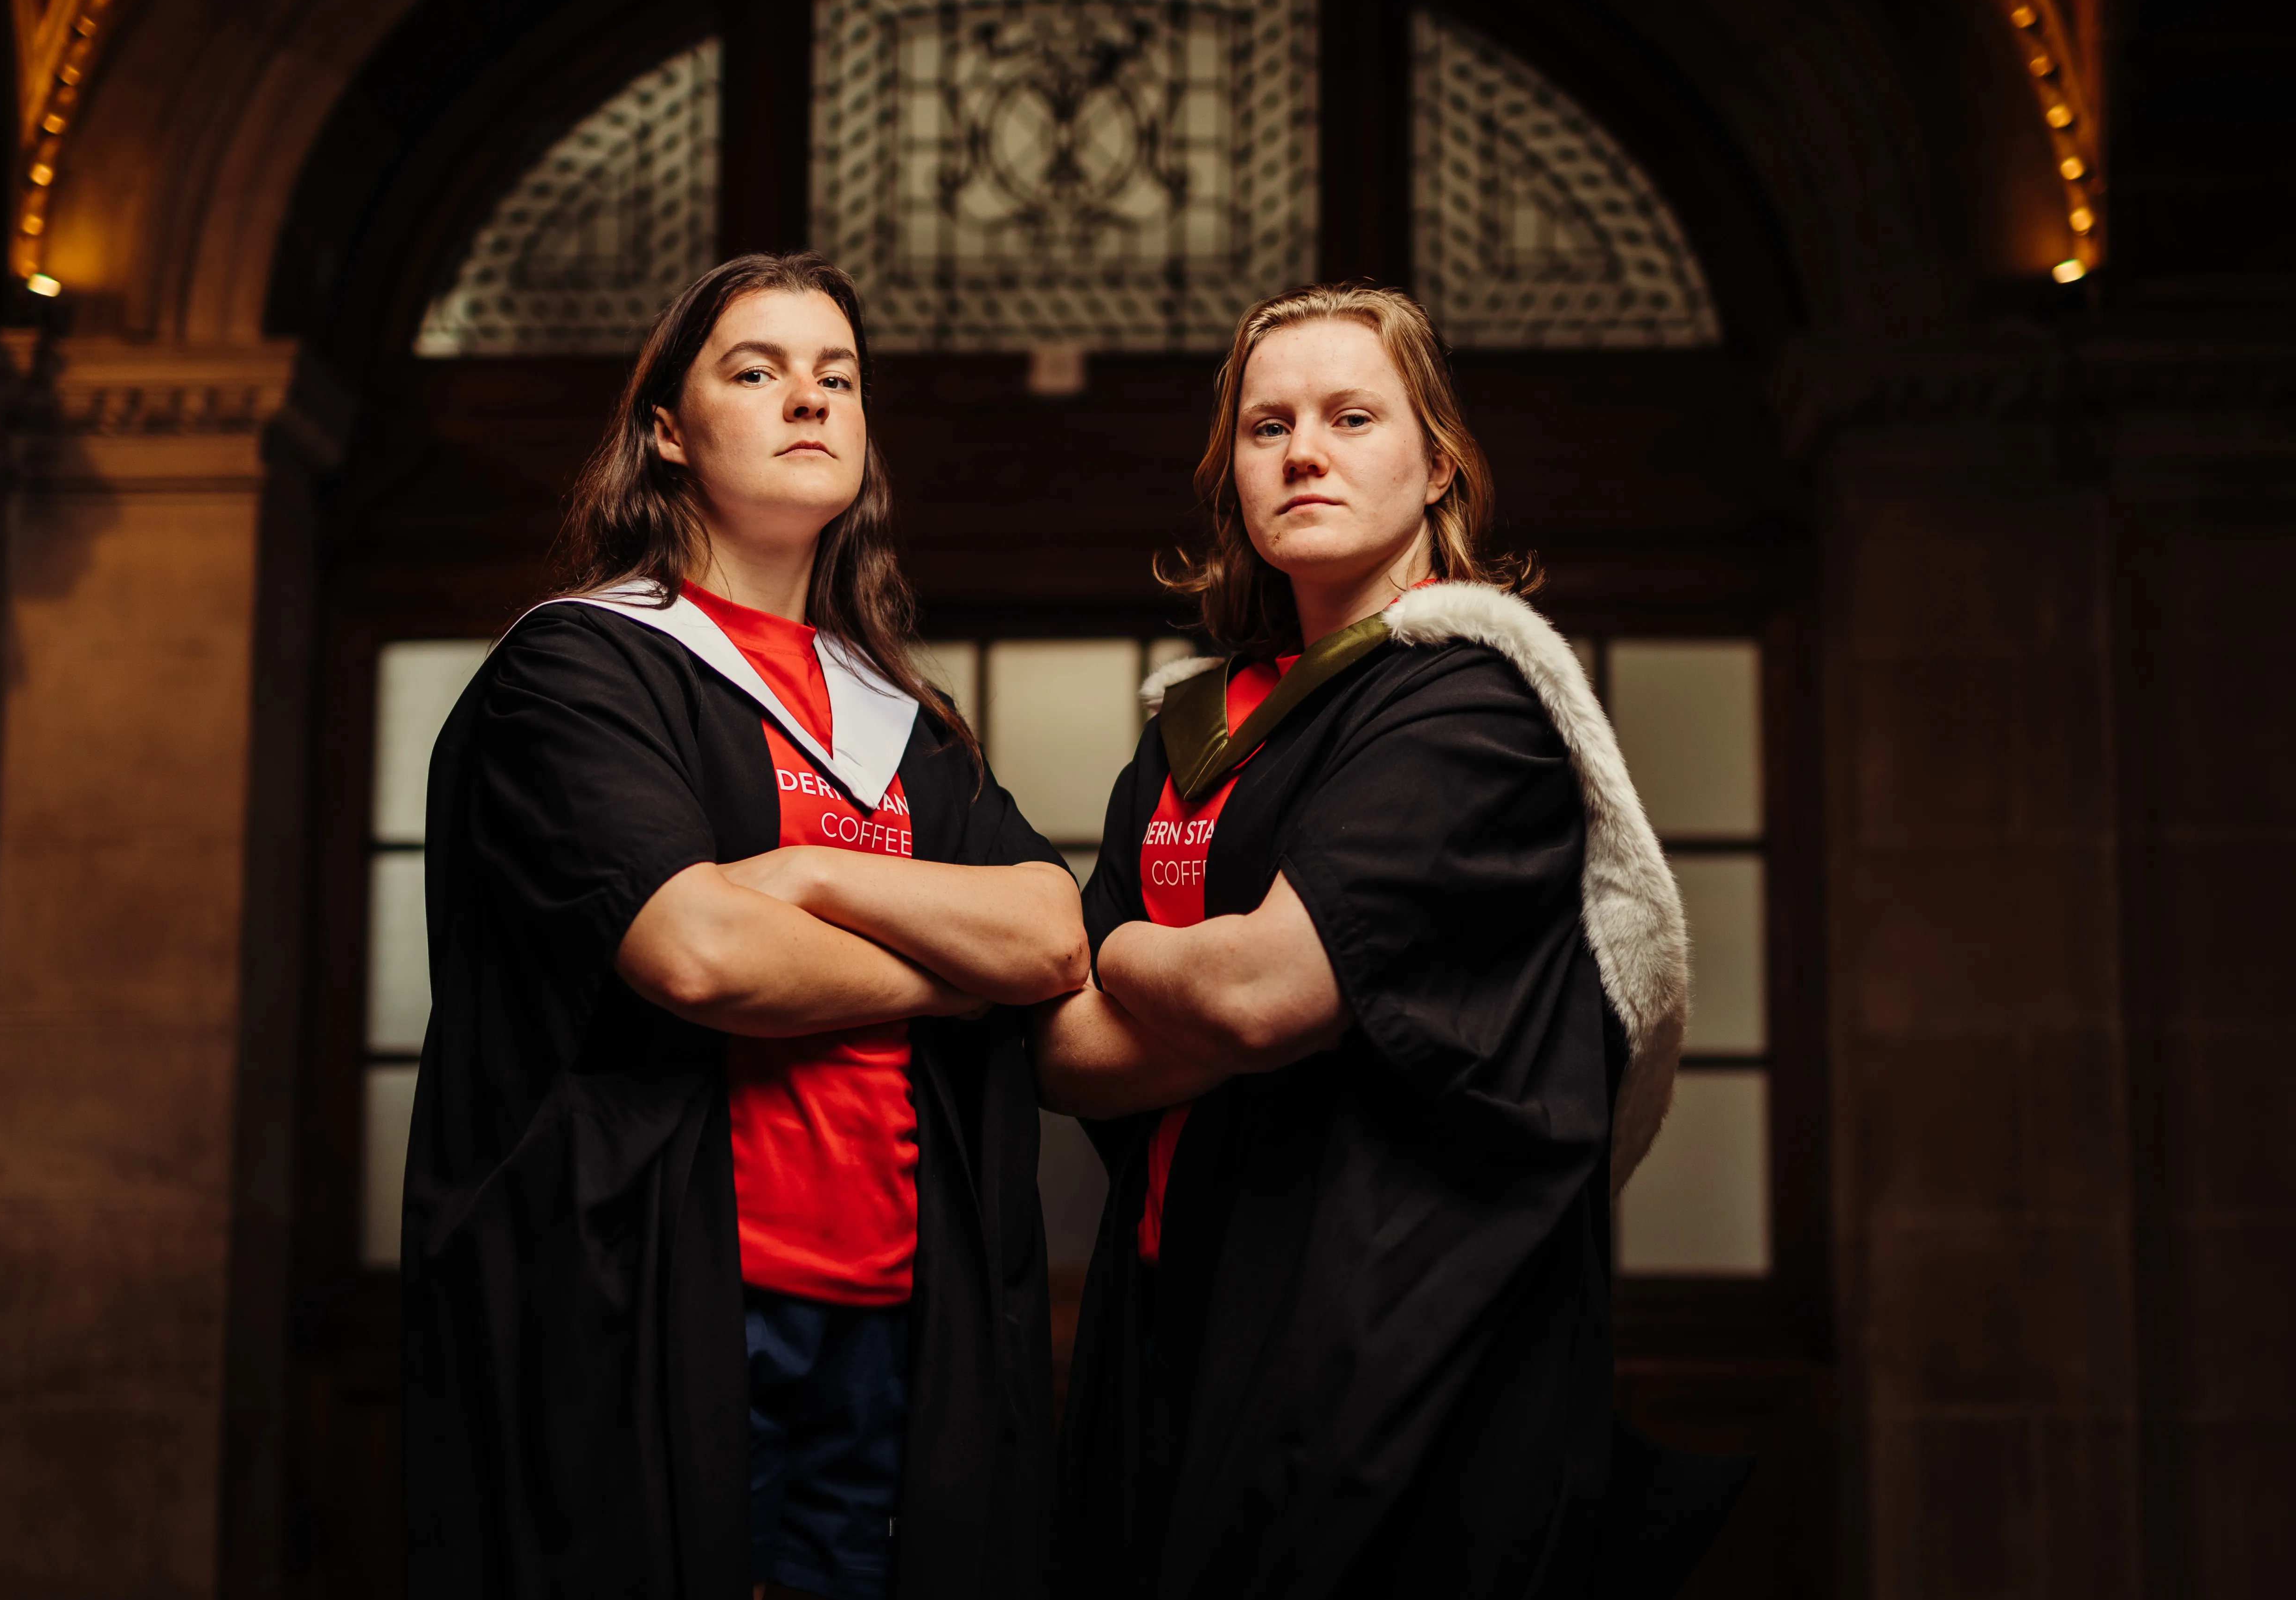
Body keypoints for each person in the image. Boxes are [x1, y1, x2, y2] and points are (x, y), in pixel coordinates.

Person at [403, 252, 1084, 1600]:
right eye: (757, 371)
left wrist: (807, 877)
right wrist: (949, 979)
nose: (809, 401)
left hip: (895, 1310)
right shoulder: (585, 667)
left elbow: (1053, 934)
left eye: (838, 377)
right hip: (668, 1302)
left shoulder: (899, 721)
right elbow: (699, 954)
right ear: (668, 428)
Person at [1035, 283, 1709, 1598]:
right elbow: (1059, 1059)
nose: (1305, 452)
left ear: (1438, 459)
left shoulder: (1474, 700)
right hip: (1173, 1307)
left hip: (1389, 1341)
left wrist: (1109, 949)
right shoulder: (1189, 727)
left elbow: (1256, 994)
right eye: (1267, 425)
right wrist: (1204, 993)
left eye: (1353, 416)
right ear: (1229, 474)